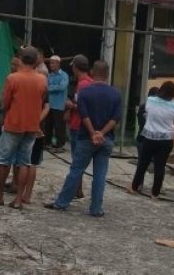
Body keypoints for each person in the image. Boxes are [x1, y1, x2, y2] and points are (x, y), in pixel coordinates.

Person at [45, 60, 121, 217]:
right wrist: (102, 133)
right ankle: (96, 208)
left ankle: (62, 202)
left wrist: (93, 132)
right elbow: (115, 118)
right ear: (107, 74)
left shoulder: (85, 92)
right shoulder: (116, 94)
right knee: (100, 175)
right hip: (106, 139)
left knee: (76, 170)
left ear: (93, 72)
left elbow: (84, 115)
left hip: (86, 137)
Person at [0, 46, 47, 209]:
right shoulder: (42, 79)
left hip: (14, 124)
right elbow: (42, 99)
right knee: (24, 162)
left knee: (3, 160)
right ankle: (18, 199)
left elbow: (5, 103)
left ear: (21, 59)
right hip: (32, 126)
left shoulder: (13, 78)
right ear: (35, 61)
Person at [129, 81, 174, 198]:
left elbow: (147, 112)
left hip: (150, 137)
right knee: (160, 166)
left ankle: (134, 187)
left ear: (161, 90)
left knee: (143, 163)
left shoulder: (151, 100)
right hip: (167, 139)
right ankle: (155, 193)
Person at [66, 54, 92, 199]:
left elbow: (82, 107)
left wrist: (70, 106)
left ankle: (75, 190)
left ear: (76, 67)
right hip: (78, 124)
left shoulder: (83, 84)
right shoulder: (88, 82)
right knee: (78, 160)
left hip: (78, 126)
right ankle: (77, 189)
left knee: (77, 161)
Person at [43, 55, 69, 152]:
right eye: (50, 63)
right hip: (50, 105)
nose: (51, 65)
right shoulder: (49, 76)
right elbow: (45, 86)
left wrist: (50, 88)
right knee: (48, 125)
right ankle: (47, 143)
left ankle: (60, 145)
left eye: (53, 63)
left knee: (59, 126)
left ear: (58, 64)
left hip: (59, 105)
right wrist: (52, 87)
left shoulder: (64, 75)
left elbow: (62, 87)